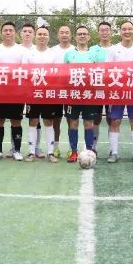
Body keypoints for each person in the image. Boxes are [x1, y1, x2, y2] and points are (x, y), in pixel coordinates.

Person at [107, 20, 133, 163]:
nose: (127, 32)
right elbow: (107, 70)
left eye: (129, 29)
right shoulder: (113, 49)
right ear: (120, 31)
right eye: (124, 29)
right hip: (117, 91)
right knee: (115, 121)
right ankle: (114, 153)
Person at [63, 25, 105, 163]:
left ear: (88, 37)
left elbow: (101, 73)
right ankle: (74, 152)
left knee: (88, 124)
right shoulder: (69, 54)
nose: (82, 36)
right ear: (75, 37)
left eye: (84, 34)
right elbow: (63, 74)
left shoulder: (95, 54)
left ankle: (89, 151)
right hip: (73, 95)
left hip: (89, 95)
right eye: (79, 34)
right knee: (73, 124)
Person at [0, 22, 29, 160]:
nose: (8, 32)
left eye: (10, 30)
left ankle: (17, 150)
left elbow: (24, 70)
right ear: (1, 33)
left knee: (16, 121)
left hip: (16, 93)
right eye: (5, 30)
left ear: (15, 33)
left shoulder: (22, 50)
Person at [23, 25, 63, 162]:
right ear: (35, 36)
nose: (42, 36)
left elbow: (58, 73)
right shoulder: (28, 53)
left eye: (45, 34)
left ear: (49, 37)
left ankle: (50, 153)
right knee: (33, 120)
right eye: (39, 34)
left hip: (48, 93)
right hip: (32, 93)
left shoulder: (54, 54)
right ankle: (31, 152)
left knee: (48, 121)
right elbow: (24, 72)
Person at [89, 22, 117, 149]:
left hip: (112, 89)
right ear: (98, 32)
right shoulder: (92, 50)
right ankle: (93, 147)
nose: (104, 32)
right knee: (96, 118)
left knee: (112, 119)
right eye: (102, 30)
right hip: (96, 89)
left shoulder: (117, 49)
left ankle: (112, 149)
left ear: (111, 32)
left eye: (107, 30)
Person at [50, 25, 74, 158]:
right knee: (56, 121)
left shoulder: (75, 50)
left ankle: (71, 148)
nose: (64, 34)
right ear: (58, 35)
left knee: (71, 120)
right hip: (56, 90)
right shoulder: (52, 51)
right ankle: (55, 148)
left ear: (70, 35)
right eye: (62, 32)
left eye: (67, 32)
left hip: (71, 91)